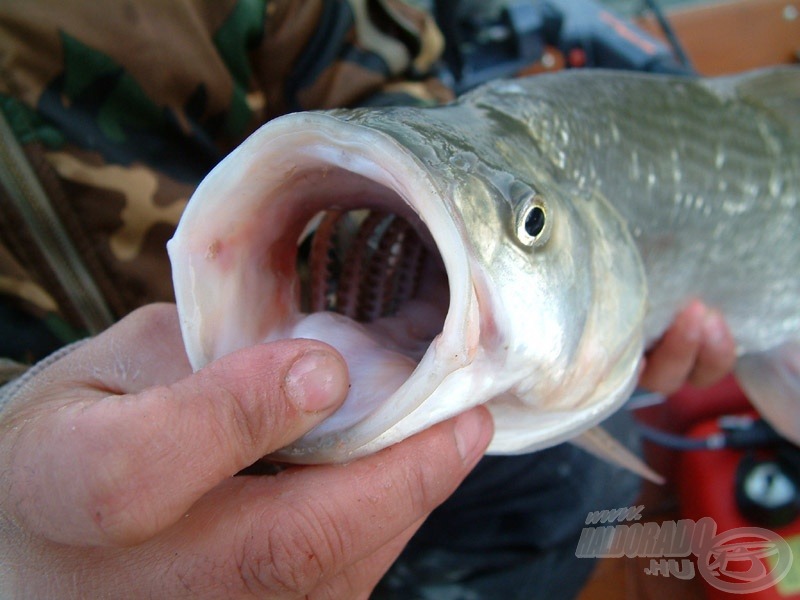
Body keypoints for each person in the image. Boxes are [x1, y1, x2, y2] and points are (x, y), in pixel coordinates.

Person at [0, 1, 736, 598]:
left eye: (529, 222)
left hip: (373, 313)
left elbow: (370, 76)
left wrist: (402, 237)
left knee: (588, 479)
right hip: (47, 469)